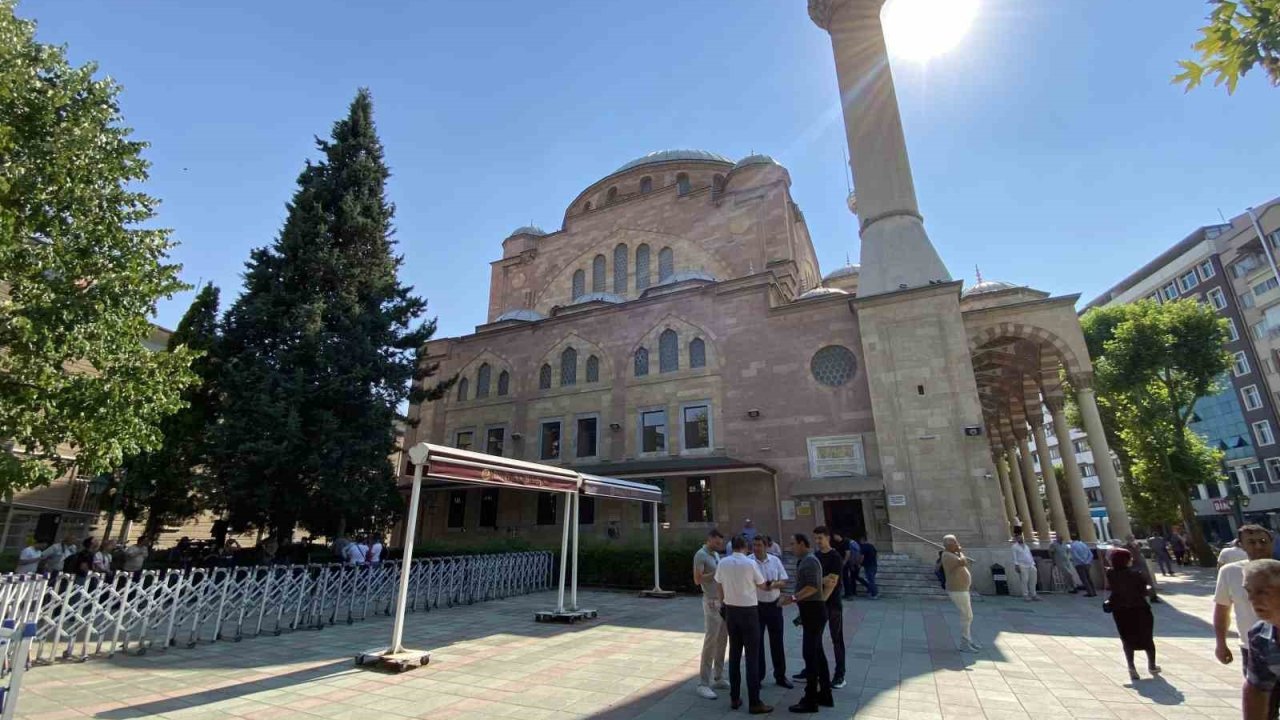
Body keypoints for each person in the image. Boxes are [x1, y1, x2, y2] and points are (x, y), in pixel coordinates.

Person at [1214, 525, 1277, 714]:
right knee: (1266, 708)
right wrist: (1221, 643)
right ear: (1241, 545)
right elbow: (1222, 609)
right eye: (1251, 542)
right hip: (1254, 649)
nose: (1258, 546)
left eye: (1263, 541)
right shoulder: (1230, 572)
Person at [713, 535, 774, 715]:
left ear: (732, 547)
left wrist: (722, 602)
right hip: (748, 612)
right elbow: (762, 585)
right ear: (745, 547)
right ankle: (754, 701)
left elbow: (718, 584)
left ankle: (734, 697)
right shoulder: (750, 564)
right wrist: (774, 584)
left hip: (731, 611)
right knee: (752, 657)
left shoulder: (723, 563)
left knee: (734, 654)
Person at [780, 533, 834, 713]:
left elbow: (812, 587)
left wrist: (792, 598)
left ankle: (810, 699)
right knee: (818, 654)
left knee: (810, 655)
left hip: (814, 611)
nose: (791, 547)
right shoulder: (806, 561)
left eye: (793, 544)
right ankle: (825, 694)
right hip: (812, 611)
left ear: (802, 544)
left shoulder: (809, 561)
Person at [792, 526, 846, 688]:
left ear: (828, 538)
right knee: (814, 639)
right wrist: (821, 581)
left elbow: (832, 582)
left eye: (820, 538)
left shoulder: (835, 557)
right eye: (815, 538)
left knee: (837, 638)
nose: (817, 541)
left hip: (831, 603)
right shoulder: (814, 557)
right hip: (816, 603)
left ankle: (839, 674)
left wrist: (821, 602)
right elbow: (817, 581)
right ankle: (811, 670)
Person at [1105, 547, 1159, 681]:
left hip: (1120, 610)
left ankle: (1131, 667)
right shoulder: (1136, 574)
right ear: (1126, 560)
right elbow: (1144, 589)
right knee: (1147, 637)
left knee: (1126, 638)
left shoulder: (1110, 573)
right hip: (1139, 608)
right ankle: (1151, 665)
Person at [751, 535, 792, 689]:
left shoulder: (775, 561)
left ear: (766, 546)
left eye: (759, 545)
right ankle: (758, 676)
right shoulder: (749, 562)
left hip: (774, 605)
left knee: (777, 642)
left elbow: (784, 580)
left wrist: (773, 585)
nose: (756, 548)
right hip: (756, 606)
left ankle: (780, 675)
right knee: (757, 643)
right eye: (754, 545)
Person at [693, 529, 729, 700]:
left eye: (720, 544)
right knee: (711, 641)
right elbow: (697, 579)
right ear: (709, 539)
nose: (719, 546)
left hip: (721, 602)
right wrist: (716, 573)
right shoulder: (700, 555)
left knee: (723, 639)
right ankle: (703, 683)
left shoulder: (715, 555)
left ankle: (718, 676)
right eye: (716, 543)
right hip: (710, 601)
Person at [1242, 559, 1280, 720]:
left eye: (1262, 592)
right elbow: (1256, 689)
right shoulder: (1260, 636)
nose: (1252, 599)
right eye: (1249, 591)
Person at [941, 534, 979, 652]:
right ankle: (964, 642)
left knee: (968, 615)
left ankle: (969, 640)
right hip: (957, 590)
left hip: (962, 589)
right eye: (955, 543)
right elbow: (963, 562)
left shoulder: (952, 554)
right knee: (966, 615)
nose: (957, 545)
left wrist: (958, 552)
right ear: (949, 545)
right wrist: (960, 552)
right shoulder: (946, 555)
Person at [1124, 534, 1160, 603]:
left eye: (1132, 538)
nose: (1132, 539)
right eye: (1130, 538)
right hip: (1133, 567)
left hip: (1142, 566)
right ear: (1127, 540)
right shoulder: (1125, 547)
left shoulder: (1138, 545)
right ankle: (1139, 597)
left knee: (1148, 581)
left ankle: (1153, 597)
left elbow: (1143, 552)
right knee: (1137, 583)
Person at [1011, 529, 1040, 601]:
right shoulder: (1014, 547)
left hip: (1030, 565)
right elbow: (1014, 556)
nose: (1021, 539)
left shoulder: (1026, 546)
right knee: (1024, 580)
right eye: (1019, 538)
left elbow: (1029, 555)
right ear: (1016, 539)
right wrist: (1016, 565)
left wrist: (1033, 563)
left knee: (1033, 580)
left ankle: (1033, 594)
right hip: (1022, 565)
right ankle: (1025, 595)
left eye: (1021, 537)